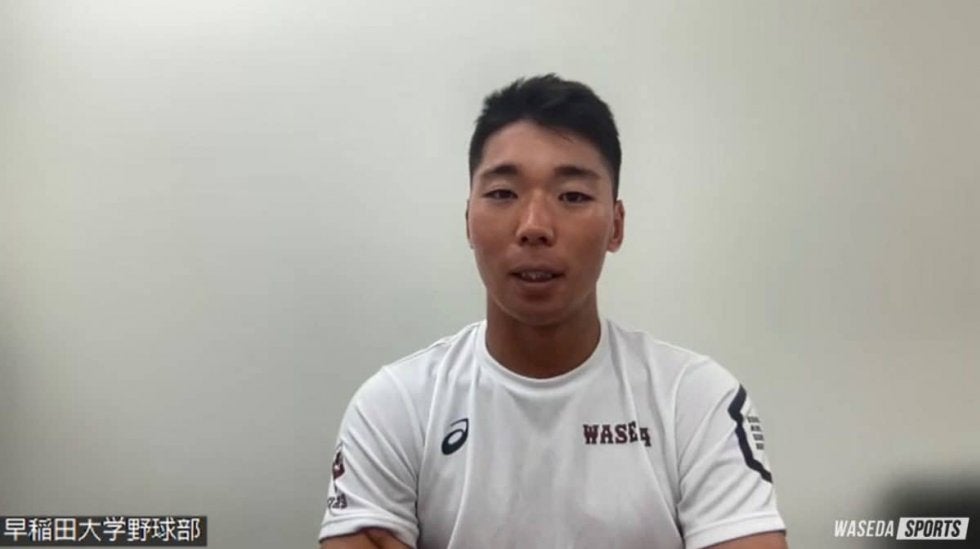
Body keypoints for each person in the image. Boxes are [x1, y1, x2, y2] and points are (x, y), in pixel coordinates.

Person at [318, 75, 788, 549]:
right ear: (468, 221)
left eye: (573, 196)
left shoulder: (696, 400)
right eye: (503, 194)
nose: (534, 226)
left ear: (616, 227)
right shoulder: (395, 406)